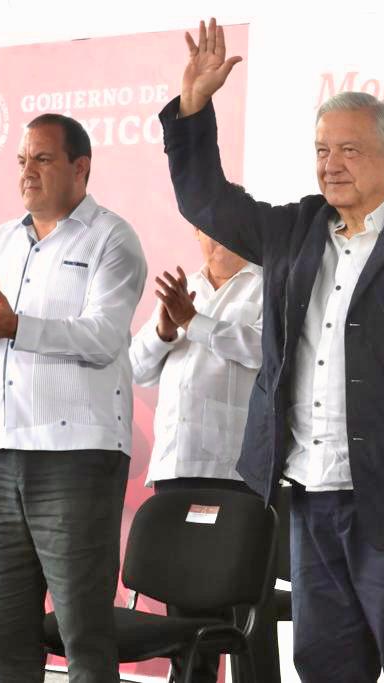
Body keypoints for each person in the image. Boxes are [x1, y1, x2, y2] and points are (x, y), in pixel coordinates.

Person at [158, 18, 384, 683]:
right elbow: (203, 198)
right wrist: (195, 105)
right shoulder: (294, 230)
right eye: (321, 149)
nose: (330, 163)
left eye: (348, 149)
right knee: (324, 668)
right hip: (310, 499)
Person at [0, 113, 146, 682]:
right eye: (22, 160)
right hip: (1, 454)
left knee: (84, 633)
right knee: (3, 633)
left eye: (43, 159)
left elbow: (104, 339)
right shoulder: (0, 239)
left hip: (78, 457)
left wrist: (13, 326)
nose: (27, 171)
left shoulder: (112, 237)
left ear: (81, 168)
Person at [129, 229, 263, 683]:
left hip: (231, 468)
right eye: (202, 226)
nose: (211, 235)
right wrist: (167, 328)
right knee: (180, 600)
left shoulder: (269, 283)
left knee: (222, 604)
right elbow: (138, 366)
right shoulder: (187, 286)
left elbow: (266, 351)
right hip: (176, 463)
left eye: (222, 222)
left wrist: (195, 322)